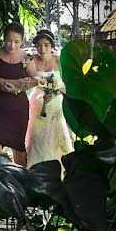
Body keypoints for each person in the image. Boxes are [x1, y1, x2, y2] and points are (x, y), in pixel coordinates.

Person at [0, 22, 38, 166]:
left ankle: (20, 183)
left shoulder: (27, 58)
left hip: (18, 110)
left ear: (22, 41)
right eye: (9, 41)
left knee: (19, 149)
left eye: (16, 42)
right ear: (4, 38)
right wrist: (15, 83)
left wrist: (19, 88)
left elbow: (35, 80)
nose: (12, 46)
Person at [25, 28, 73, 169]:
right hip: (37, 104)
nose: (42, 48)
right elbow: (29, 81)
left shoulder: (59, 61)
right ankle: (36, 170)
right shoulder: (31, 61)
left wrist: (55, 92)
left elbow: (68, 85)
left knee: (57, 136)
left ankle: (60, 170)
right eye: (39, 45)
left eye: (46, 45)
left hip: (56, 103)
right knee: (38, 138)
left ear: (52, 47)